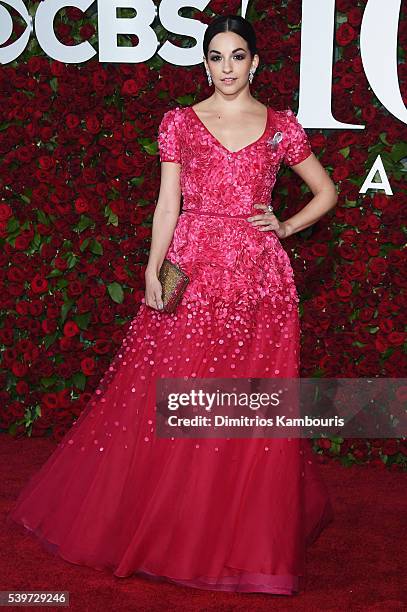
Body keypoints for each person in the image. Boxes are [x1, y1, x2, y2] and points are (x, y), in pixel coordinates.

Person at [7, 14, 338, 596]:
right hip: (192, 271)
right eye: (216, 56)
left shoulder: (282, 127)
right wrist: (151, 267)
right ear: (205, 63)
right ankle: (176, 526)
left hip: (260, 282)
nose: (227, 67)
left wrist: (283, 226)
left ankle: (239, 537)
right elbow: (167, 205)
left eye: (238, 56)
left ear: (255, 63)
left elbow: (327, 191)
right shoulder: (181, 123)